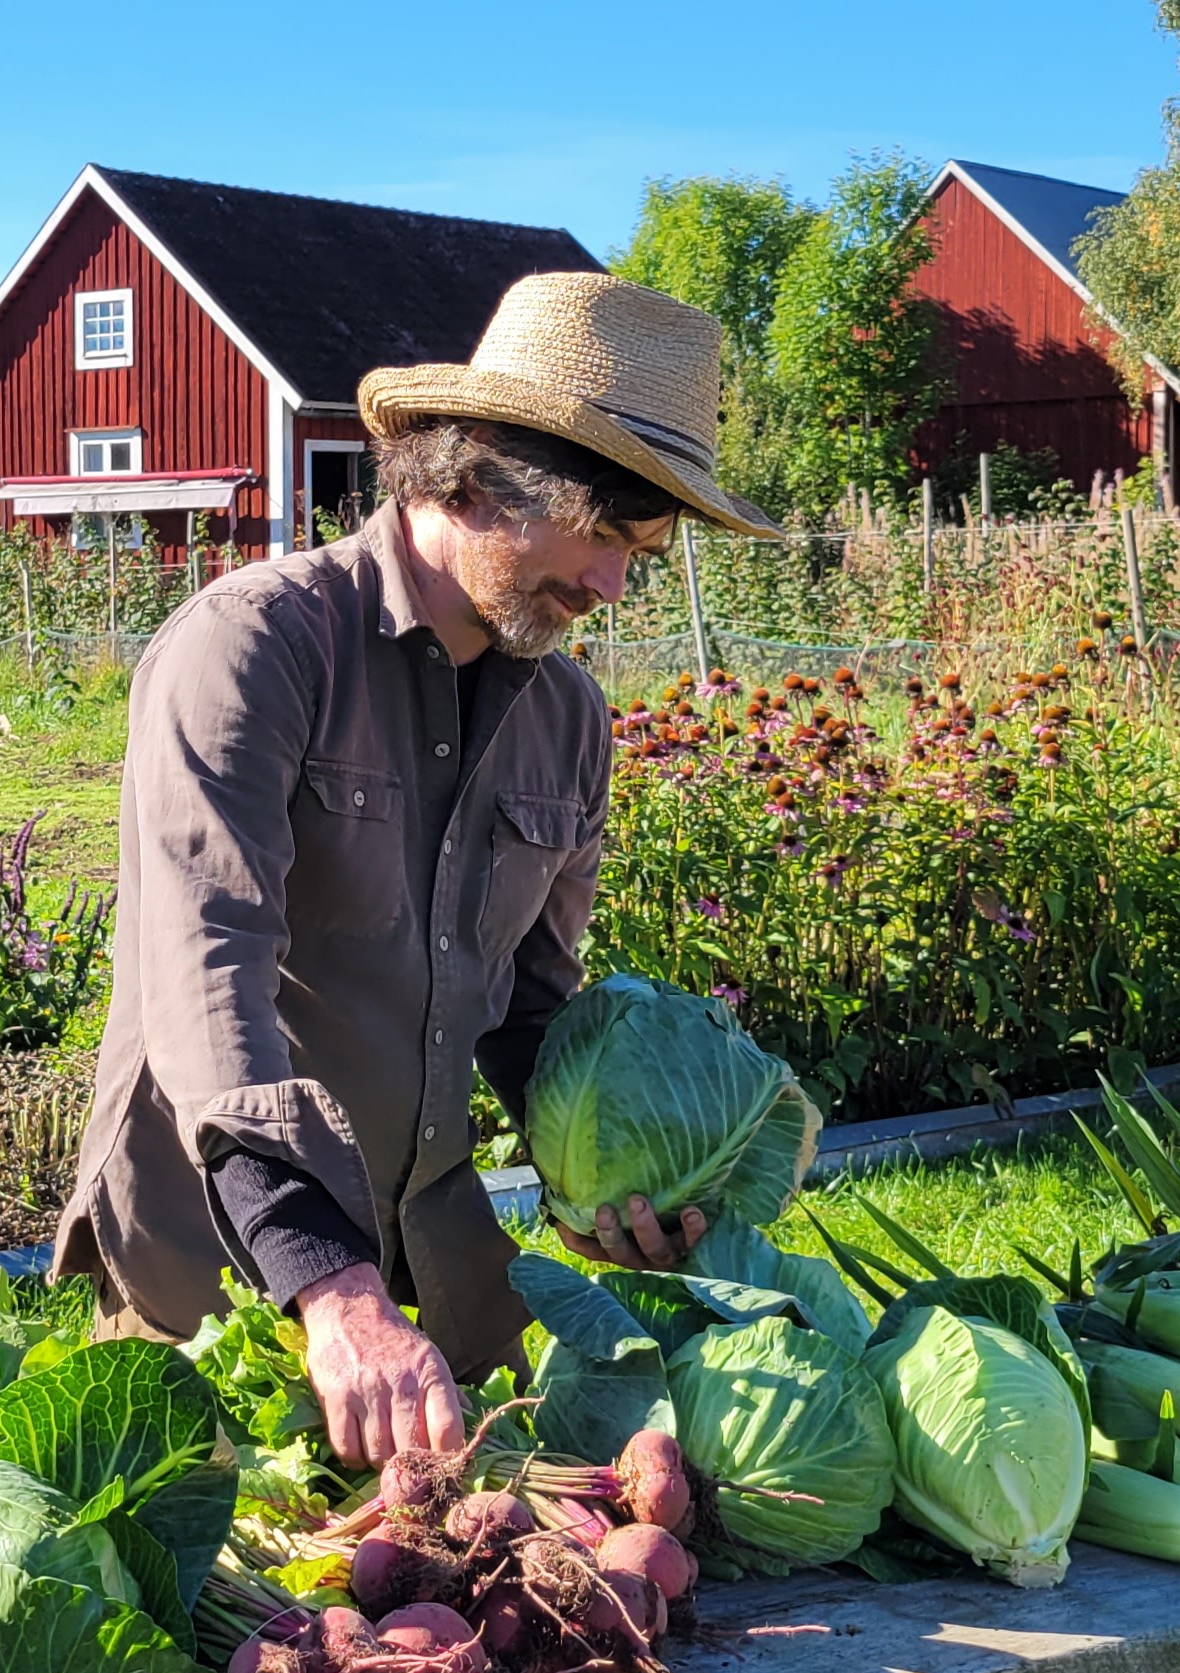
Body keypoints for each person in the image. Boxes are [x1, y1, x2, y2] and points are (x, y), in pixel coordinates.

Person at [51, 271, 780, 1470]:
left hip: (437, 1288)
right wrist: (329, 1292)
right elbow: (206, 987)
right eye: (600, 537)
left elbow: (529, 1010)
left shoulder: (567, 720)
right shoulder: (253, 652)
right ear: (476, 473)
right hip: (224, 1279)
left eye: (637, 555)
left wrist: (617, 1180)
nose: (609, 588)